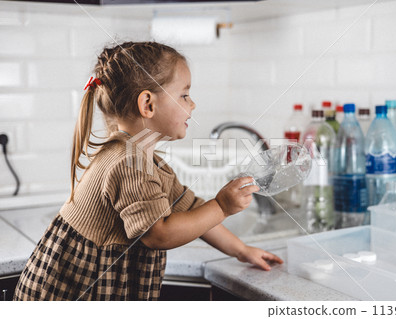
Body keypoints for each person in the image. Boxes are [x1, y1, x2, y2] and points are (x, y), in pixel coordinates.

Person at [13, 41, 283, 301]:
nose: (193, 104)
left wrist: (242, 251)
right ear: (148, 105)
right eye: (184, 95)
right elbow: (159, 234)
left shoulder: (147, 161)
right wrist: (222, 206)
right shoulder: (129, 163)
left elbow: (191, 211)